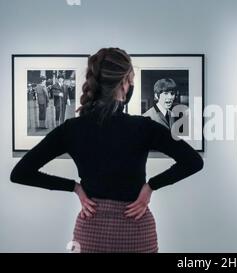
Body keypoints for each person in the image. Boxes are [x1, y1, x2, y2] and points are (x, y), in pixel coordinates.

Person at [10, 48, 204, 253]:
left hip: (91, 230)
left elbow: (21, 173)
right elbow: (193, 161)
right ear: (123, 84)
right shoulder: (144, 127)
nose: (131, 86)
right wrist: (150, 187)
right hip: (136, 229)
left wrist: (75, 187)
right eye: (130, 81)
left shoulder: (72, 129)